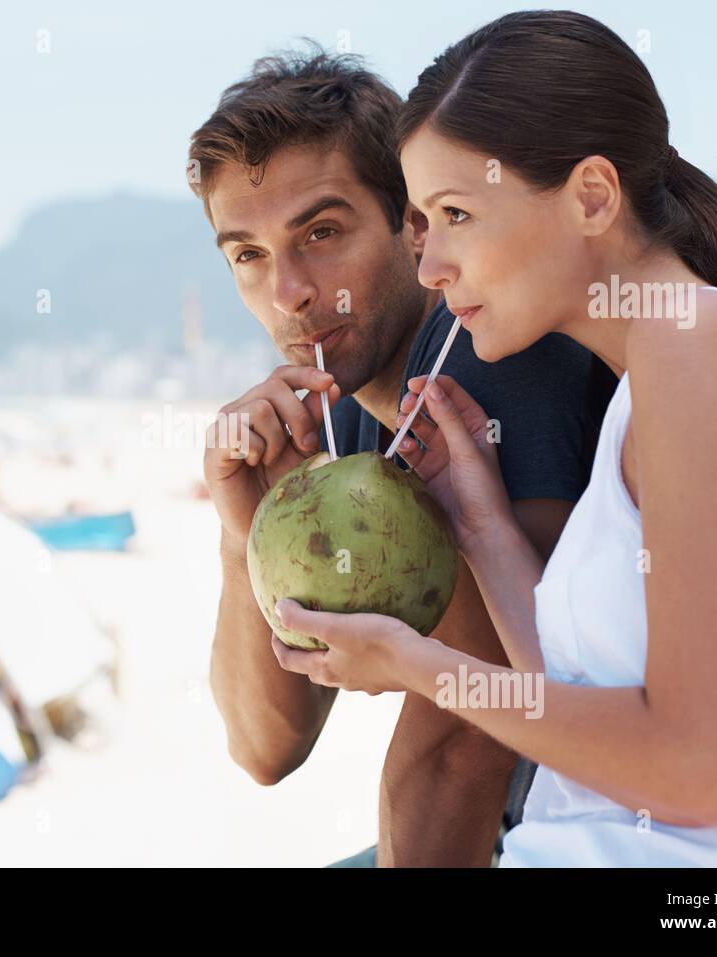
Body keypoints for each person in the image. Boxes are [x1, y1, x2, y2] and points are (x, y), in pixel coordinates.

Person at [271, 11, 717, 866]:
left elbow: (697, 771)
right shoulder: (660, 367)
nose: (431, 268)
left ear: (591, 197)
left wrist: (417, 664)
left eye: (457, 213)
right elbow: (595, 707)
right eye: (422, 223)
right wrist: (480, 523)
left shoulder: (698, 351)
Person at [189, 46, 615, 866]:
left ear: (410, 224)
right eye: (248, 254)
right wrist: (244, 532)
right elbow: (266, 746)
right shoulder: (343, 410)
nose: (290, 293)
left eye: (321, 232)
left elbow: (459, 751)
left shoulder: (488, 363)